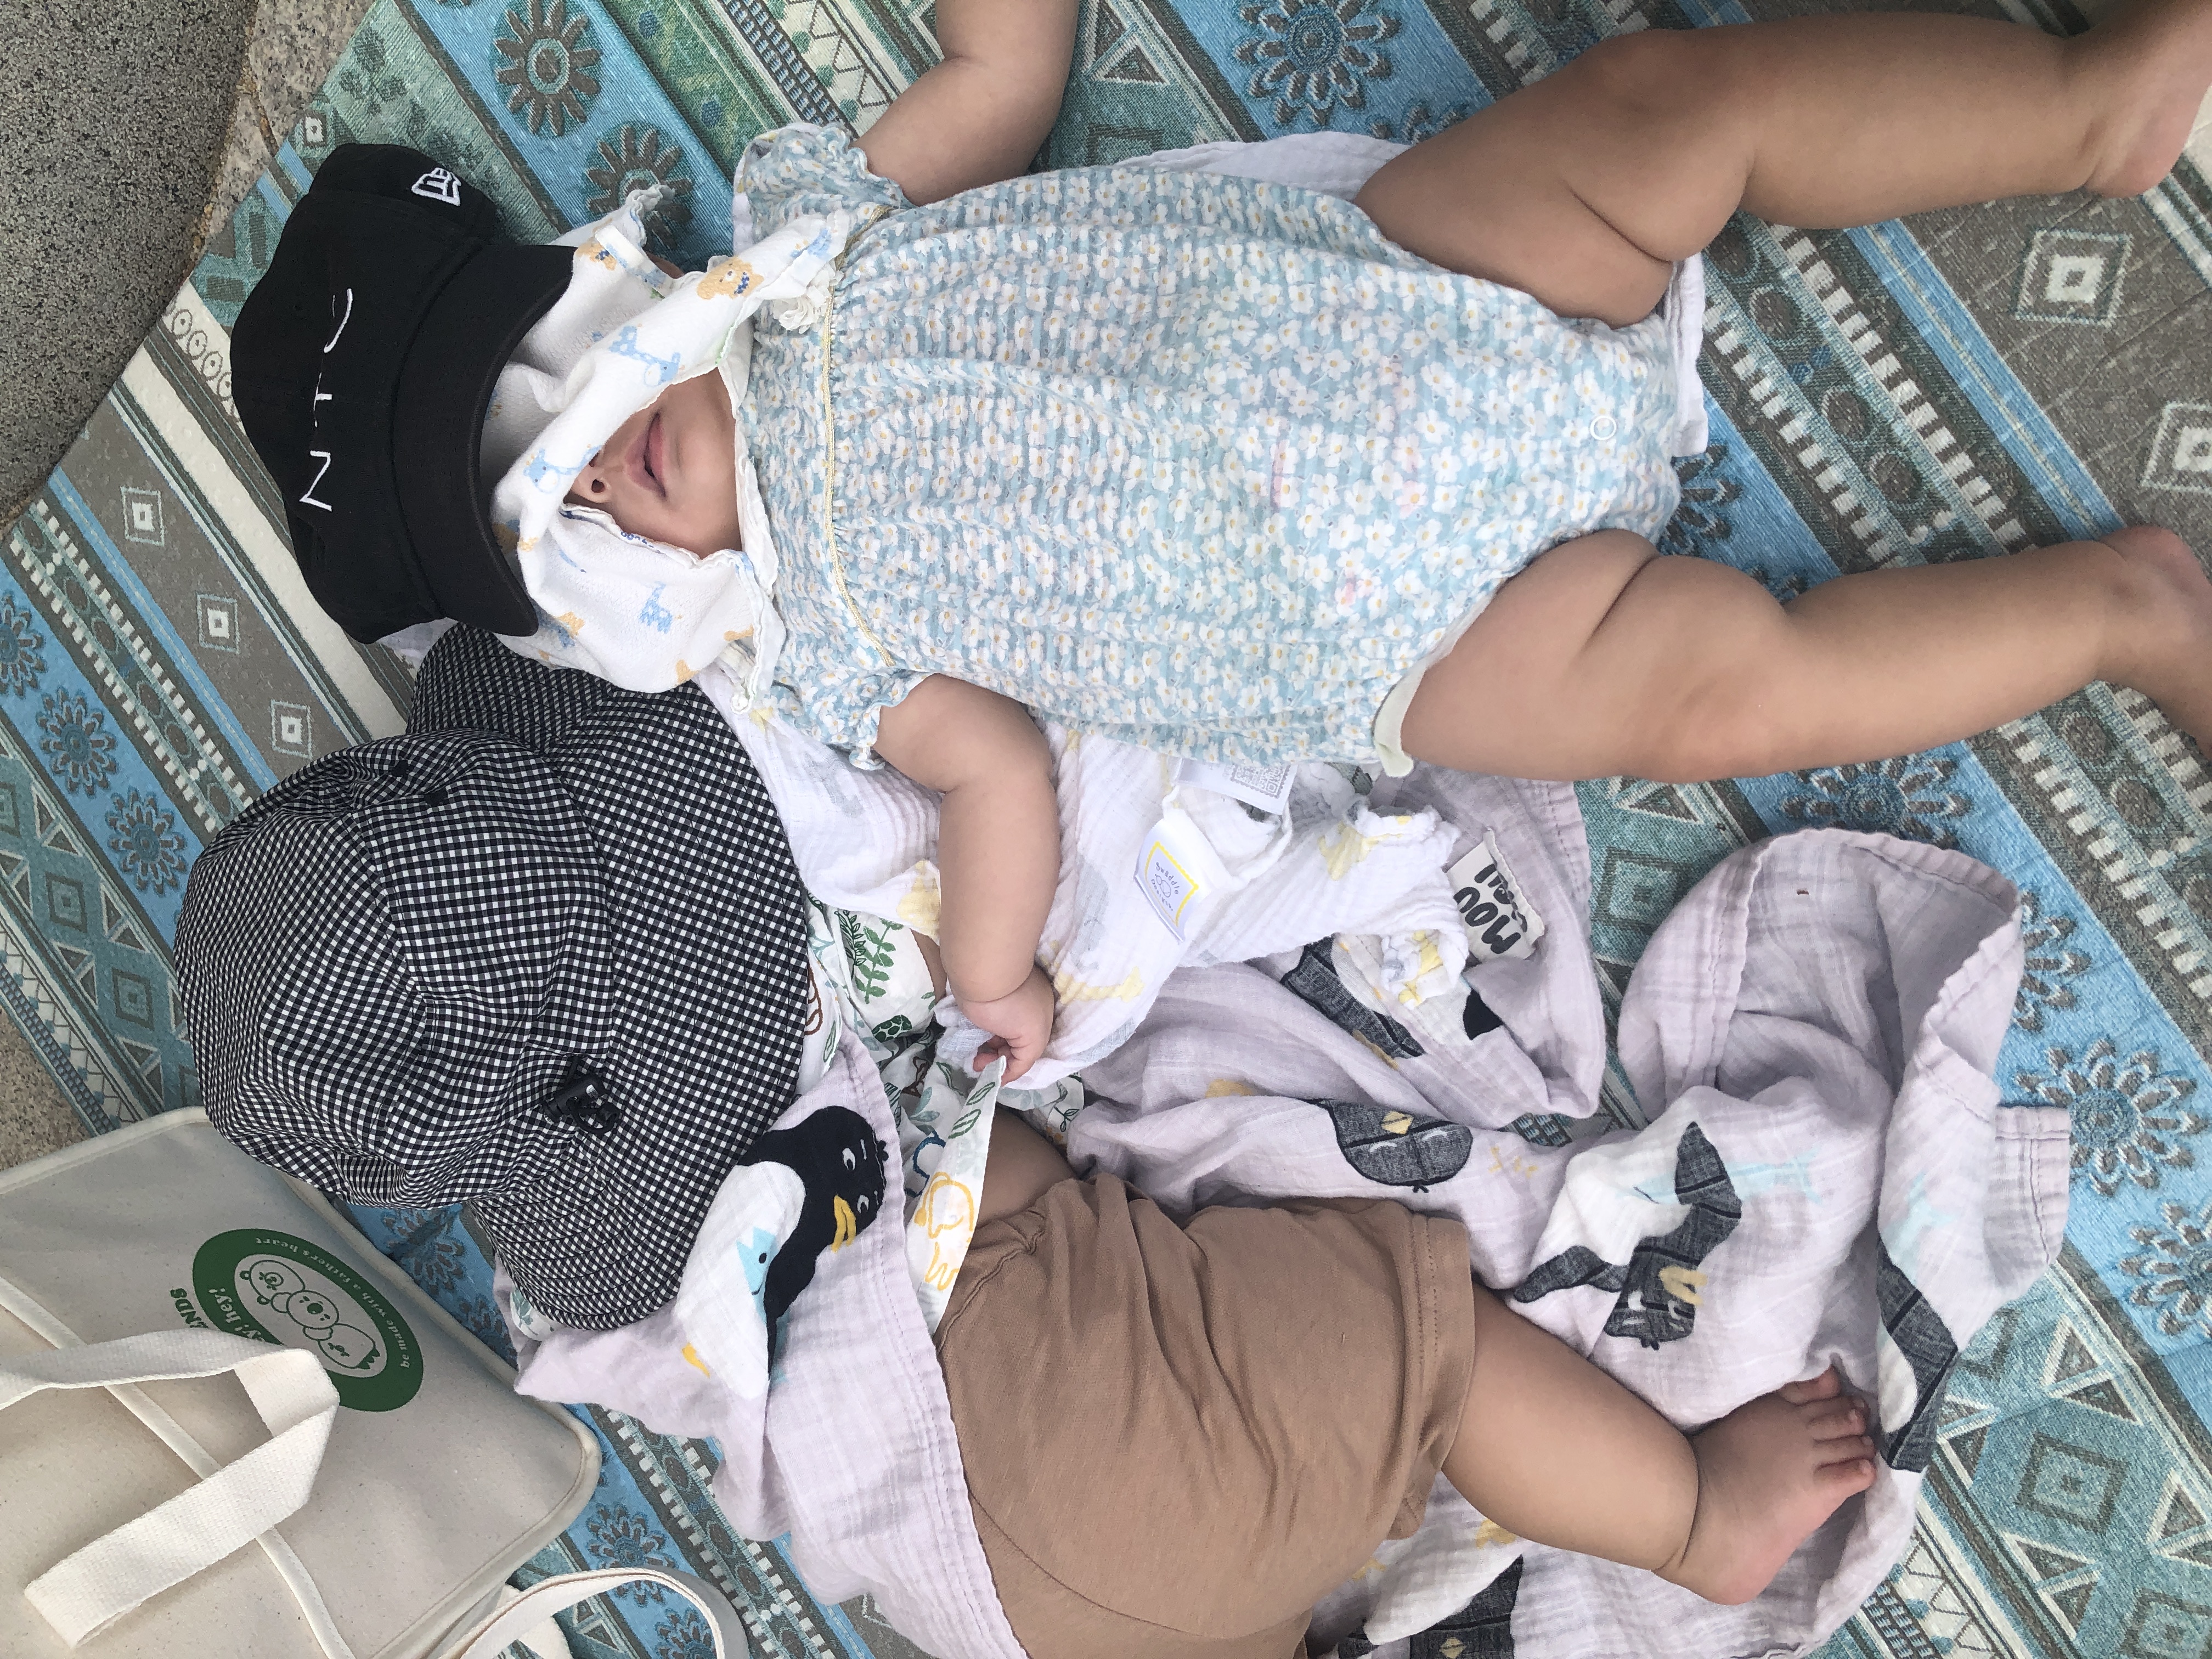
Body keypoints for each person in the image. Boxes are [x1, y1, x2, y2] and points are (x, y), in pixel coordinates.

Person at [546, 0, 2212, 1087]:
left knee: (1668, 106)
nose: (605, 478)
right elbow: (993, 781)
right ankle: (2119, 614)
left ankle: (2085, 112)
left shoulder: (800, 257)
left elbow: (1004, 75)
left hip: (1396, 291)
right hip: (1412, 632)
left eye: (571, 434)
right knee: (1722, 702)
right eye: (585, 523)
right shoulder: (824, 642)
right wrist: (998, 983)